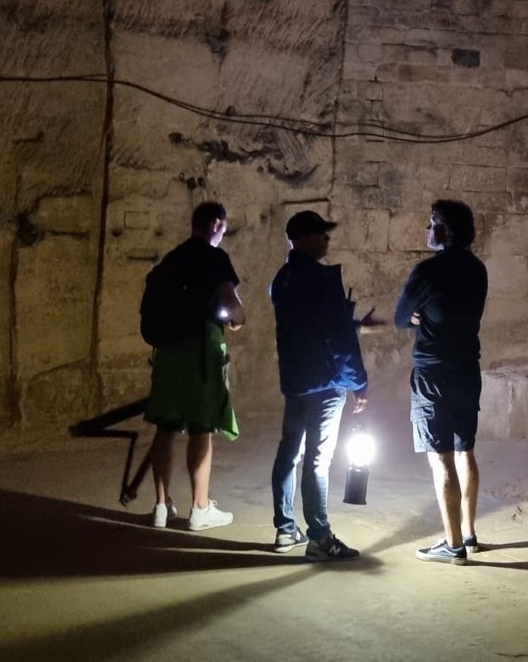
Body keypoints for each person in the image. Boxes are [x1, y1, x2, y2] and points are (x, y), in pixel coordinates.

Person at [270, 210, 371, 561]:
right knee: (317, 460)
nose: (327, 240)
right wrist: (359, 382)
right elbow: (337, 338)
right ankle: (320, 537)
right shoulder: (322, 279)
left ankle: (285, 530)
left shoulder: (281, 279)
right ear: (305, 238)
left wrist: (347, 320)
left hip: (296, 380)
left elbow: (304, 328)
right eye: (322, 234)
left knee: (289, 453)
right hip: (326, 384)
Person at [394, 199, 488, 565]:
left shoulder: (427, 272)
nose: (427, 229)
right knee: (465, 449)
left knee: (441, 459)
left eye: (432, 223)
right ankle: (469, 533)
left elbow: (402, 318)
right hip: (468, 369)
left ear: (445, 229)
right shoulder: (478, 270)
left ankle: (452, 547)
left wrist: (418, 317)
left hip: (433, 373)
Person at [144, 201, 245, 531]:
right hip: (201, 352)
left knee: (166, 427)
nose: (222, 236)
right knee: (202, 429)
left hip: (169, 353)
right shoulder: (214, 259)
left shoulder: (172, 259)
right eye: (224, 229)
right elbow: (233, 308)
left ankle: (161, 507)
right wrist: (236, 320)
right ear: (216, 224)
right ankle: (200, 508)